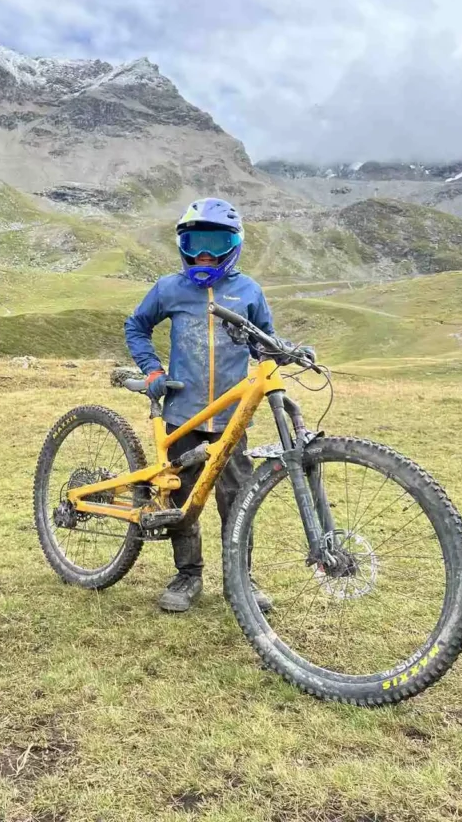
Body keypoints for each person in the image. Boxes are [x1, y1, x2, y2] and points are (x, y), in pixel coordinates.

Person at [124, 197, 314, 613]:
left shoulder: (249, 292)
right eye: (194, 242)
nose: (204, 252)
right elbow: (136, 325)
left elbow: (267, 341)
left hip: (231, 419)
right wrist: (152, 369)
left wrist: (290, 352)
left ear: (234, 244)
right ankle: (187, 576)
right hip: (181, 414)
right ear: (182, 245)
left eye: (214, 241)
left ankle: (240, 581)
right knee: (182, 502)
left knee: (238, 499)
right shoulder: (169, 288)